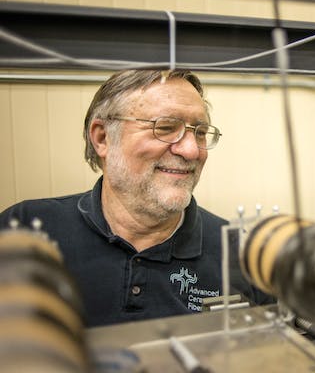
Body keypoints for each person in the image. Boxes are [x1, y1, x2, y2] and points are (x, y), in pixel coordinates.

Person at [0, 69, 273, 327]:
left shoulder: (242, 253)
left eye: (200, 133)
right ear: (102, 138)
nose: (192, 150)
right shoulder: (25, 229)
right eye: (165, 127)